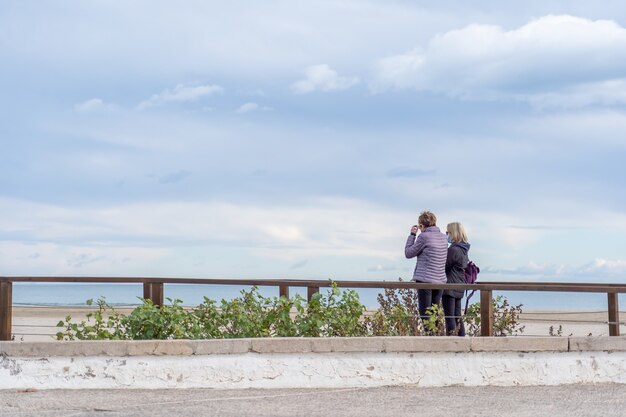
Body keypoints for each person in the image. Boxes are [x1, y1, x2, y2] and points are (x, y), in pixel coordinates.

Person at [405, 211, 448, 323]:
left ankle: (430, 339)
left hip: (425, 280)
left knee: (425, 315)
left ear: (421, 225)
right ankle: (437, 338)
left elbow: (408, 253)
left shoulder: (423, 237)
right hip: (440, 281)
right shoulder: (444, 238)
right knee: (434, 313)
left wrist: (412, 235)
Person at [442, 222, 470, 336]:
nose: (446, 235)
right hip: (459, 285)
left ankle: (452, 341)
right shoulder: (464, 249)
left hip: (450, 286)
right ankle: (462, 339)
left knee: (450, 317)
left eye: (447, 232)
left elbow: (444, 266)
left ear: (453, 233)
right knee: (457, 316)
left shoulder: (453, 250)